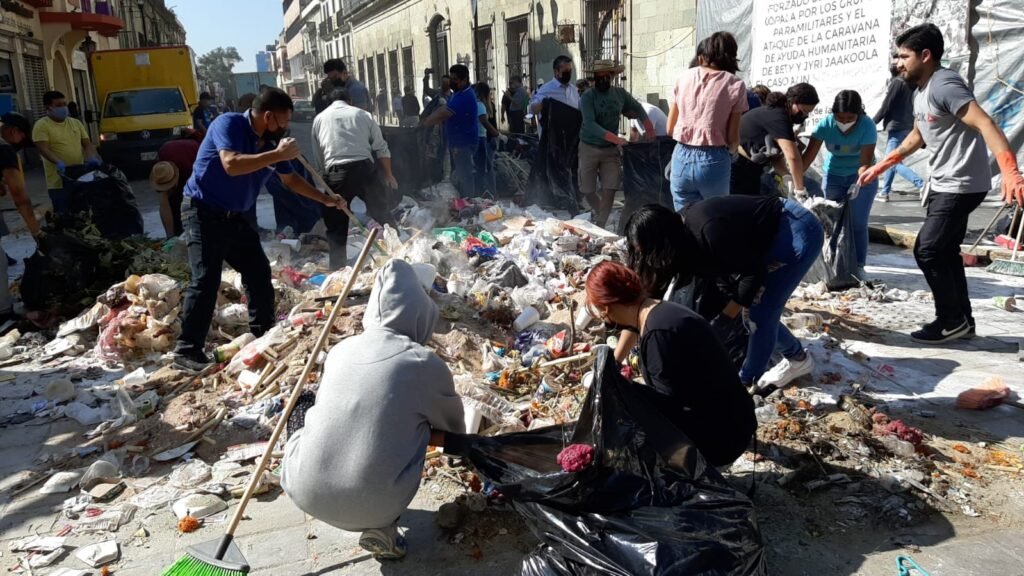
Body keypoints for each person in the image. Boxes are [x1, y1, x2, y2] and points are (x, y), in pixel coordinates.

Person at [282, 259, 465, 560]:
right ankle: (384, 529)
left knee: (302, 403)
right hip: (378, 504)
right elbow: (454, 431)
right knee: (414, 429)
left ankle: (322, 479)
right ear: (420, 312)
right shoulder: (424, 363)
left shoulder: (341, 350)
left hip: (305, 491)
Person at [858, 23, 1024, 343]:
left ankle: (949, 320)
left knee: (929, 249)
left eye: (903, 56)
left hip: (959, 184)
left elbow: (985, 123)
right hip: (944, 182)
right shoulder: (921, 91)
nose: (898, 62)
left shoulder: (944, 83)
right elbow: (917, 137)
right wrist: (879, 167)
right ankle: (963, 320)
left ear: (926, 55)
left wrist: (1010, 171)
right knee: (945, 252)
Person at [173, 88, 347, 368]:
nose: (285, 127)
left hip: (234, 217)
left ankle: (264, 333)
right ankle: (187, 350)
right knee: (206, 279)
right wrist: (276, 155)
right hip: (201, 211)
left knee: (258, 271)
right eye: (282, 121)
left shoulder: (272, 144)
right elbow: (231, 164)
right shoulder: (229, 124)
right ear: (267, 116)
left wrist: (327, 199)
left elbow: (291, 181)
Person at [622, 199, 824, 392]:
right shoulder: (672, 243)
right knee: (747, 309)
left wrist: (726, 317)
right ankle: (798, 358)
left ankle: (745, 385)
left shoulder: (708, 231)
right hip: (753, 246)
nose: (648, 259)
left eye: (649, 252)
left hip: (795, 229)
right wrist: (615, 360)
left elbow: (753, 273)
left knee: (760, 311)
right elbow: (645, 302)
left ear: (663, 242)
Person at [584, 261, 755, 467]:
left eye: (600, 311)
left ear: (606, 307)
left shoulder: (658, 336)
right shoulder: (660, 311)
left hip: (721, 441)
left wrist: (623, 389)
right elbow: (632, 328)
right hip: (736, 421)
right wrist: (615, 367)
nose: (603, 317)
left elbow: (669, 410)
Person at [312, 86, 399, 269]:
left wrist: (325, 181)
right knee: (382, 212)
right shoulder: (363, 115)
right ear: (349, 101)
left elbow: (318, 158)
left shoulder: (319, 119)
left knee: (336, 226)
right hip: (364, 170)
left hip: (335, 173)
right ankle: (400, 254)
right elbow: (381, 148)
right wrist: (389, 175)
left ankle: (338, 268)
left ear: (329, 103)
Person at [665, 32, 749, 212]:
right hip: (714, 159)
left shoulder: (683, 78)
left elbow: (670, 128)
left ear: (703, 56)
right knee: (714, 218)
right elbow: (733, 138)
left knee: (683, 219)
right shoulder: (735, 84)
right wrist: (732, 153)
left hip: (680, 156)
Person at [801, 90, 879, 275]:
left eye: (849, 118)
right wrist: (793, 178)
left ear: (858, 114)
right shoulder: (826, 124)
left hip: (862, 175)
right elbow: (807, 158)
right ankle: (834, 263)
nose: (844, 122)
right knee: (832, 222)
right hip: (834, 175)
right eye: (840, 117)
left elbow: (865, 162)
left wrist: (859, 182)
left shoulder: (867, 126)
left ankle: (859, 265)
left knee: (858, 223)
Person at [578, 60, 653, 228]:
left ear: (612, 76)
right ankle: (600, 212)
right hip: (589, 146)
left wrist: (650, 131)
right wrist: (617, 139)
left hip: (609, 150)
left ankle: (601, 224)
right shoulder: (588, 97)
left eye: (606, 76)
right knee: (587, 190)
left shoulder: (620, 94)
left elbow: (638, 108)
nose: (603, 79)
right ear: (594, 77)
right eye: (599, 76)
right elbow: (590, 124)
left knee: (610, 188)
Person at [731, 83, 819, 198]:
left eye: (809, 112)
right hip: (736, 164)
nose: (805, 115)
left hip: (753, 168)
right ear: (793, 102)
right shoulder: (778, 116)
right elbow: (792, 156)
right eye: (803, 111)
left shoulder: (781, 116)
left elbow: (776, 156)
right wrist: (800, 190)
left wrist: (786, 176)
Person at [0, 112, 40, 324]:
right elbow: (20, 197)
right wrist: (36, 231)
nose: (19, 146)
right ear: (13, 132)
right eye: (21, 141)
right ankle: (3, 312)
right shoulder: (4, 148)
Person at [32, 90, 99, 214]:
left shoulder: (75, 123)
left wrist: (91, 157)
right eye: (58, 105)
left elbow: (87, 144)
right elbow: (43, 148)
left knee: (83, 214)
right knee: (64, 215)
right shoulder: (42, 125)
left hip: (79, 178)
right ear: (48, 108)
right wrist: (58, 162)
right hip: (59, 182)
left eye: (64, 104)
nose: (63, 108)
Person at [872, 53, 925, 202]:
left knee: (892, 161)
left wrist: (873, 122)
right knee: (893, 159)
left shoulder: (898, 82)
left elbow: (887, 105)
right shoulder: (911, 84)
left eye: (898, 59)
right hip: (907, 126)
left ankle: (921, 184)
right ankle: (885, 192)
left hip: (897, 127)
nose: (895, 62)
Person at [422, 65, 478, 198]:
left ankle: (468, 204)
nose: (451, 82)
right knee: (461, 174)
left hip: (463, 143)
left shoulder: (464, 96)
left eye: (455, 79)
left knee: (465, 176)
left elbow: (444, 113)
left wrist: (426, 123)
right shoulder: (458, 93)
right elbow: (445, 108)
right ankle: (465, 201)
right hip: (457, 143)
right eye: (451, 78)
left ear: (464, 79)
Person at [149, 130, 203, 237]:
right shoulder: (161, 169)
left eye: (169, 186)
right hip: (177, 158)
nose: (168, 189)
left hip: (196, 167)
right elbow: (164, 204)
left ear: (176, 177)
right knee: (174, 205)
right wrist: (169, 236)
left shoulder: (191, 168)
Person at [266, 160, 324, 236]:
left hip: (286, 159)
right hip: (272, 162)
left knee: (300, 192)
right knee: (280, 191)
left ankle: (302, 225)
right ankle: (288, 228)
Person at [530, 56, 579, 130]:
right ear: (556, 71)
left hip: (572, 138)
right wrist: (544, 104)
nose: (569, 74)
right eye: (566, 71)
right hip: (552, 139)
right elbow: (533, 109)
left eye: (570, 71)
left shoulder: (574, 91)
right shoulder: (545, 90)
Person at [474, 82, 501, 197]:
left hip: (483, 138)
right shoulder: (480, 105)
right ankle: (488, 193)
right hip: (481, 139)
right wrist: (496, 134)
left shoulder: (483, 105)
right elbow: (485, 122)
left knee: (485, 167)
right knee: (485, 168)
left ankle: (488, 193)